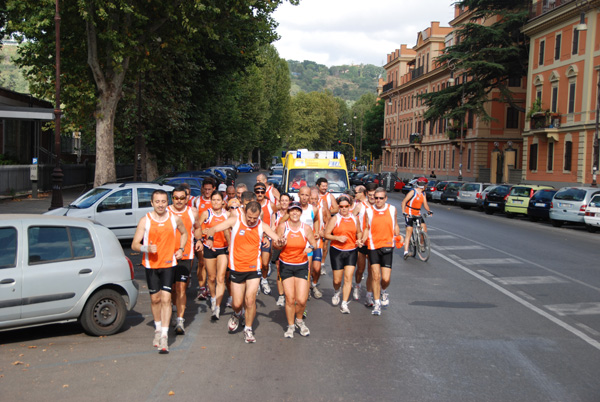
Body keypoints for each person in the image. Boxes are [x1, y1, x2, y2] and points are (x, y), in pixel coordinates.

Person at [205, 201, 283, 343]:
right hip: (237, 268)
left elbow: (277, 238)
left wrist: (281, 241)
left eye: (255, 217)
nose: (252, 220)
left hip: (254, 268)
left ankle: (248, 329)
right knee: (237, 302)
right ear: (245, 212)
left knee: (250, 300)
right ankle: (236, 313)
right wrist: (210, 239)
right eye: (250, 217)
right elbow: (212, 229)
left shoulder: (262, 225)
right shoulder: (235, 221)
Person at [132, 190, 187, 353]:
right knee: (155, 299)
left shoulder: (174, 218)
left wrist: (181, 249)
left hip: (169, 264)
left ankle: (164, 335)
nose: (161, 204)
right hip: (151, 265)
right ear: (152, 203)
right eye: (157, 202)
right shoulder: (145, 220)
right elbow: (134, 244)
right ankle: (157, 329)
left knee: (166, 299)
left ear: (167, 202)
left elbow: (184, 233)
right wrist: (145, 247)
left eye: (164, 201)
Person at [275, 201, 317, 338]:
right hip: (286, 265)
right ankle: (291, 326)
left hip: (301, 265)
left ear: (300, 213)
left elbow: (314, 244)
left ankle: (299, 321)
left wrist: (310, 248)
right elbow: (275, 245)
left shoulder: (305, 228)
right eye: (292, 210)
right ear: (288, 212)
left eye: (297, 211)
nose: (294, 213)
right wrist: (280, 244)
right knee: (290, 298)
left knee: (302, 300)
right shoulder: (282, 226)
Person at [167, 186, 200, 335]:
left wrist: (199, 240)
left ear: (187, 198)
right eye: (176, 198)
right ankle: (174, 309)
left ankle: (180, 320)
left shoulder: (192, 212)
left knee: (181, 287)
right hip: (167, 255)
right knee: (172, 288)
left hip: (186, 255)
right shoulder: (166, 211)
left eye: (182, 198)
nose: (179, 201)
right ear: (172, 198)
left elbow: (197, 227)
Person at [364, 187, 401, 316]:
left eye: (381, 198)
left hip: (387, 246)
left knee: (385, 279)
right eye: (376, 198)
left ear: (385, 198)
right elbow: (366, 229)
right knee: (375, 276)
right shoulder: (368, 211)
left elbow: (395, 224)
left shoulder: (392, 209)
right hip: (373, 246)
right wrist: (361, 239)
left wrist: (398, 235)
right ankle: (377, 302)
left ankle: (383, 290)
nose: (378, 200)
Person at [324, 195, 362, 314]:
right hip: (337, 251)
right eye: (341, 207)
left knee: (348, 278)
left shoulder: (355, 218)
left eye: (346, 206)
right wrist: (337, 237)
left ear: (350, 206)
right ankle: (336, 291)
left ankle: (344, 303)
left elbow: (359, 232)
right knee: (337, 280)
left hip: (351, 250)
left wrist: (359, 240)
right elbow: (326, 234)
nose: (344, 209)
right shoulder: (335, 219)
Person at [198, 190, 230, 320]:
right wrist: (203, 233)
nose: (216, 202)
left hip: (223, 248)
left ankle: (217, 307)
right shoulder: (206, 213)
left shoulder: (228, 214)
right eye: (213, 200)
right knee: (211, 278)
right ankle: (212, 297)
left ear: (223, 201)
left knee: (220, 278)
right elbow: (197, 229)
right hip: (209, 248)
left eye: (218, 200)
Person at [353, 183, 376, 304]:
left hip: (374, 243)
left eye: (374, 195)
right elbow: (351, 219)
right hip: (362, 242)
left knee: (372, 270)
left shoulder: (378, 207)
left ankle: (369, 295)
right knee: (360, 269)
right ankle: (357, 286)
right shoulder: (361, 206)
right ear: (367, 194)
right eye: (370, 195)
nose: (372, 197)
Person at [194, 178, 216, 301]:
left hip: (215, 239)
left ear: (214, 189)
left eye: (209, 189)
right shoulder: (197, 201)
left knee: (212, 266)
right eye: (205, 189)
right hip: (201, 237)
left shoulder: (218, 201)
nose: (207, 191)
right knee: (202, 263)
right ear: (202, 189)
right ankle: (202, 288)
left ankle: (210, 285)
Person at [401, 177, 433, 260]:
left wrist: (429, 211)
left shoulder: (423, 193)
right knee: (409, 232)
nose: (426, 186)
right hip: (409, 213)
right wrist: (404, 212)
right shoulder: (413, 192)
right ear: (424, 185)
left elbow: (425, 204)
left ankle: (421, 244)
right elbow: (404, 202)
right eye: (426, 185)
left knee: (424, 228)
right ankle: (405, 251)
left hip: (417, 213)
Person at [255, 182, 275, 295]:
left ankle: (264, 279)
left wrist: (270, 233)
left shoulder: (270, 204)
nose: (260, 193)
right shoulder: (252, 205)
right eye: (257, 191)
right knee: (256, 262)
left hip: (266, 237)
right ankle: (256, 283)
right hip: (254, 237)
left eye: (262, 191)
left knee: (265, 263)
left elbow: (275, 218)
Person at [272, 193, 292, 306]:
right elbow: (272, 228)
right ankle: (281, 295)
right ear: (279, 202)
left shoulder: (293, 214)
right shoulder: (275, 214)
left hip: (291, 245)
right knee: (279, 269)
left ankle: (290, 293)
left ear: (289, 202)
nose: (284, 202)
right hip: (279, 245)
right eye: (282, 200)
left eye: (286, 200)